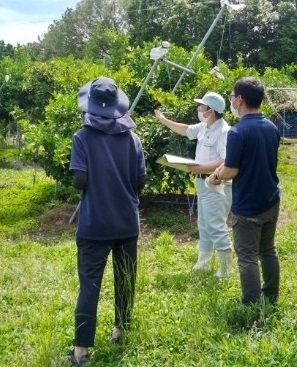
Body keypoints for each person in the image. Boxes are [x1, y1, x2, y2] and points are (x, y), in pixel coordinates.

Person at [68, 76, 146, 366]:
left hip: (95, 225)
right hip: (127, 222)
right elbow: (141, 181)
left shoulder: (82, 137)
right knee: (125, 279)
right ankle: (121, 330)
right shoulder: (133, 138)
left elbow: (80, 180)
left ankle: (81, 350)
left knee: (90, 284)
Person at [209, 77, 281, 305]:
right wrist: (223, 169)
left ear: (239, 100)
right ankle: (270, 295)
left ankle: (250, 304)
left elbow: (231, 170)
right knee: (268, 250)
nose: (231, 100)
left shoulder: (238, 132)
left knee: (247, 257)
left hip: (248, 205)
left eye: (232, 96)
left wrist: (216, 176)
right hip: (270, 200)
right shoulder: (271, 127)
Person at [154, 92, 233, 277]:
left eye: (202, 107)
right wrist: (164, 120)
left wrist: (202, 167)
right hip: (202, 183)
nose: (199, 109)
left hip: (217, 184)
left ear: (211, 111)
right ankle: (203, 264)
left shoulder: (224, 131)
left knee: (216, 226)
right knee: (204, 226)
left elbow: (226, 159)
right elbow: (185, 129)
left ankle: (226, 270)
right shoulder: (205, 126)